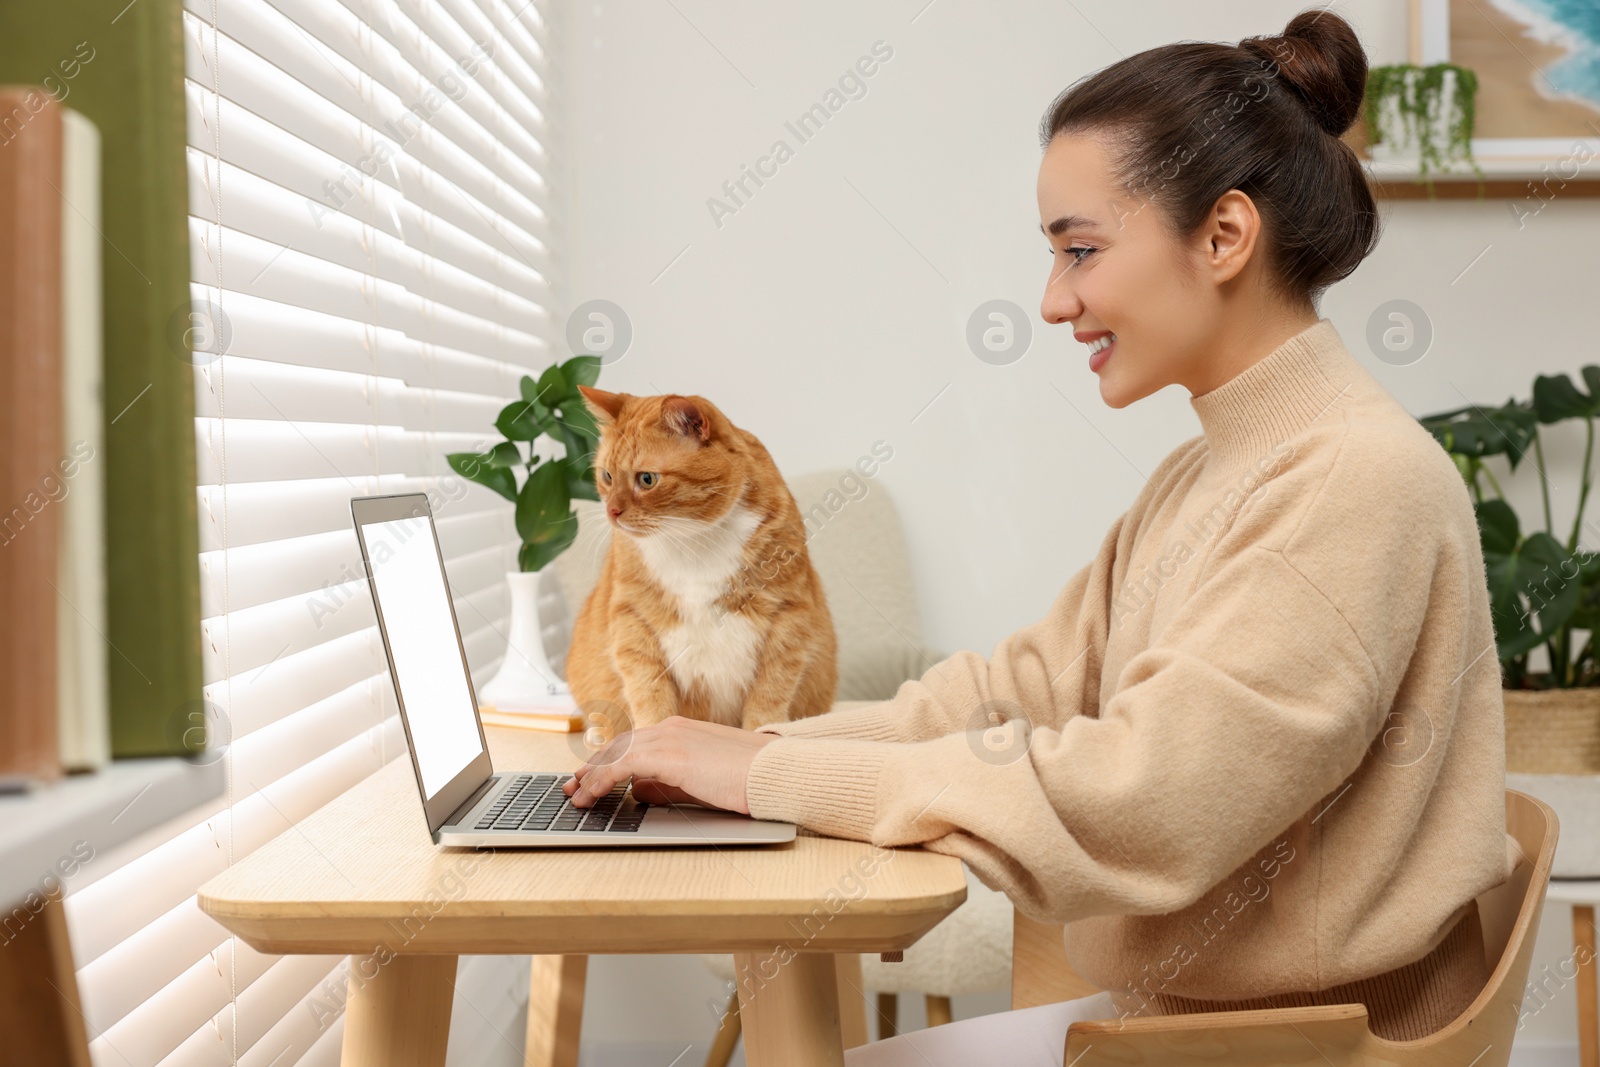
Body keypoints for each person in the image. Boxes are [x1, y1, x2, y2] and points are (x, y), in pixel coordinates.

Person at [563, 8, 1514, 1061]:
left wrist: (761, 780)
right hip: (1176, 1024)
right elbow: (1011, 689)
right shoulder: (1208, 470)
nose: (1055, 301)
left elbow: (1149, 800)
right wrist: (744, 750)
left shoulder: (1356, 482)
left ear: (1224, 235)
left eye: (1080, 250)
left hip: (1281, 1047)